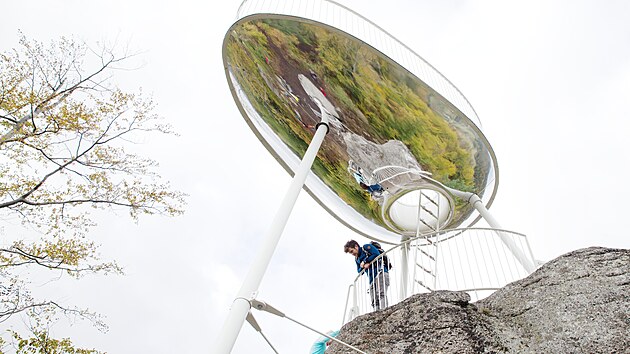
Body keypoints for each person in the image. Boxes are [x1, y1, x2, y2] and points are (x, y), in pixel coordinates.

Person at [344, 240, 390, 310]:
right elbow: (359, 271)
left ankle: (384, 311)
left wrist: (366, 261)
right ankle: (377, 314)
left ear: (356, 246)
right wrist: (363, 265)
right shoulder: (357, 259)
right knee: (374, 299)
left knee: (381, 294)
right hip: (372, 279)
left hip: (380, 272)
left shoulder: (365, 248)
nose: (352, 254)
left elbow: (376, 254)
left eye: (351, 251)